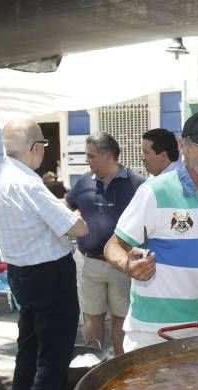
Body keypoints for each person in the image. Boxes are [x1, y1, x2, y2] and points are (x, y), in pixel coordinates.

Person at [0, 118, 89, 390]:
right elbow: (78, 228)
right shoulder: (27, 182)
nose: (44, 150)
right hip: (49, 274)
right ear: (34, 147)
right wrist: (74, 216)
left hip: (20, 272)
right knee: (53, 355)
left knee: (29, 351)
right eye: (43, 144)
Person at [104, 112, 198, 351]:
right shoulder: (155, 191)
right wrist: (127, 265)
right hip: (151, 333)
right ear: (183, 145)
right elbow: (113, 246)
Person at [66, 133, 145, 355]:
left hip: (122, 264)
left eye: (90, 155)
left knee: (122, 319)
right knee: (92, 316)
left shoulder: (137, 184)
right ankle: (92, 367)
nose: (86, 160)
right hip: (89, 263)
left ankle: (118, 372)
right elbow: (67, 204)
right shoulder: (83, 182)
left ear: (108, 155)